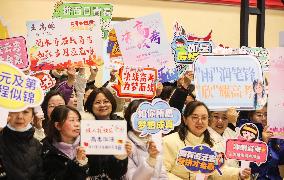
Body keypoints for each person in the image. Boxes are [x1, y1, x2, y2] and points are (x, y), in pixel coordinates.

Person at [163, 101, 251, 179]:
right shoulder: (169, 141)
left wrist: (238, 173)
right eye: (195, 117)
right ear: (185, 119)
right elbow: (162, 172)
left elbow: (217, 170)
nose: (200, 122)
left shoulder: (209, 144)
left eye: (204, 118)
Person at [83, 87, 131, 179]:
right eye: (97, 102)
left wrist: (122, 156)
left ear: (112, 103)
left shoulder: (121, 126)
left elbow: (121, 170)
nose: (102, 105)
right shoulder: (84, 127)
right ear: (90, 105)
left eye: (106, 101)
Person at [124, 99, 168, 179]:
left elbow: (162, 172)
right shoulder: (126, 144)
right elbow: (132, 178)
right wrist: (151, 159)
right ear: (130, 120)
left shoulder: (155, 139)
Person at [41, 105, 88, 180]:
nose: (77, 124)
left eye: (78, 120)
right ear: (58, 125)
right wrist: (77, 162)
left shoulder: (88, 144)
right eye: (72, 120)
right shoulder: (45, 150)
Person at [0, 108, 44, 179]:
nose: (20, 116)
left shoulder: (38, 145)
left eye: (25, 112)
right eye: (15, 111)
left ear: (32, 117)